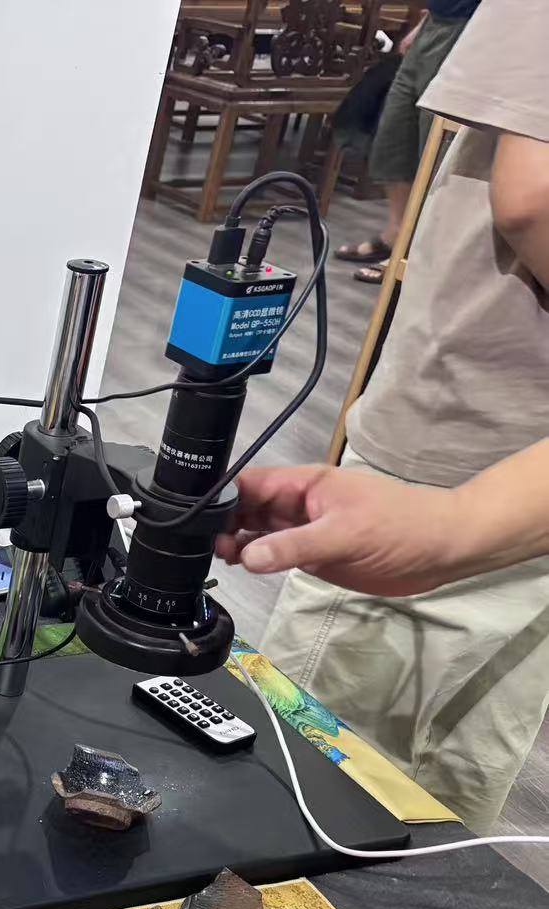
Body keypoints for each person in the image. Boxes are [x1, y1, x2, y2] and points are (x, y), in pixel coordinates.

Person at [226, 0, 549, 833]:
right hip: (486, 442)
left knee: (365, 805)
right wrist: (449, 530)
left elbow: (531, 194)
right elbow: (531, 194)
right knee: (348, 791)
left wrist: (452, 530)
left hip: (488, 450)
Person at [335, 0, 479, 283]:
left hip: (469, 32)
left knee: (433, 147)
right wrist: (423, 25)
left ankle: (412, 250)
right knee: (394, 134)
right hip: (436, 23)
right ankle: (396, 232)